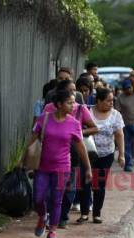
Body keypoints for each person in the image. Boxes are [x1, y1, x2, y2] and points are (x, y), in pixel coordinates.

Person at [19, 90, 92, 238]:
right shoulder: (43, 119)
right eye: (70, 103)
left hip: (62, 167)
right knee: (38, 198)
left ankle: (52, 232)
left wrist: (88, 168)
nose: (73, 106)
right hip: (43, 167)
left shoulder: (74, 123)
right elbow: (31, 141)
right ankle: (42, 216)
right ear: (59, 104)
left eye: (74, 102)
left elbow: (80, 147)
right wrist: (21, 160)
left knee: (57, 200)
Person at [43, 80, 98, 228]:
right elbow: (41, 128)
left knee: (70, 188)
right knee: (51, 188)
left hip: (73, 153)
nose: (74, 94)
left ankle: (62, 217)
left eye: (75, 91)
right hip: (51, 154)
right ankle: (50, 215)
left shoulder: (80, 109)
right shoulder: (49, 108)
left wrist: (77, 133)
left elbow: (94, 128)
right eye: (70, 90)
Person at [77, 88, 125, 224]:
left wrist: (121, 155)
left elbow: (119, 135)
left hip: (106, 155)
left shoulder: (116, 115)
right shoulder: (88, 111)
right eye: (108, 100)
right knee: (85, 182)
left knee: (99, 184)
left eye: (112, 100)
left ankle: (97, 214)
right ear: (98, 101)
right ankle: (84, 213)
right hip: (87, 153)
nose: (111, 103)